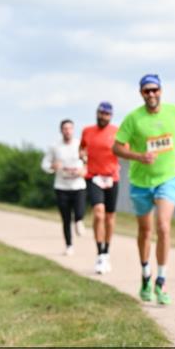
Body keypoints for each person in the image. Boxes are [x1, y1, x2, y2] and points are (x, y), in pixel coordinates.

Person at [112, 74, 175, 305]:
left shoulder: (174, 112)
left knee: (163, 227)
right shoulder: (133, 119)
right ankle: (146, 274)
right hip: (140, 182)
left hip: (167, 179)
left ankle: (162, 280)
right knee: (145, 231)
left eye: (154, 90)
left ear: (161, 91)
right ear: (141, 93)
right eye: (147, 91)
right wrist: (138, 156)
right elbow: (116, 147)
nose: (151, 94)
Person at [80, 102, 121, 274]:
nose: (103, 116)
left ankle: (107, 250)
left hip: (111, 178)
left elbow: (124, 150)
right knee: (98, 212)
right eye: (101, 113)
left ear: (110, 116)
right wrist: (82, 156)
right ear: (97, 114)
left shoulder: (116, 131)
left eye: (106, 114)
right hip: (94, 177)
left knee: (110, 217)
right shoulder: (87, 131)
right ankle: (100, 252)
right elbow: (82, 147)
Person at [41, 119, 87, 256]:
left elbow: (89, 161)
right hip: (62, 186)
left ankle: (79, 221)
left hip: (78, 185)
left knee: (79, 211)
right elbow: (44, 164)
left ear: (73, 130)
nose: (67, 131)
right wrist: (52, 167)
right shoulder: (55, 147)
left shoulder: (80, 145)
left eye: (70, 128)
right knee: (65, 218)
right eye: (65, 128)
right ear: (61, 130)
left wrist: (84, 170)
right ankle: (69, 245)